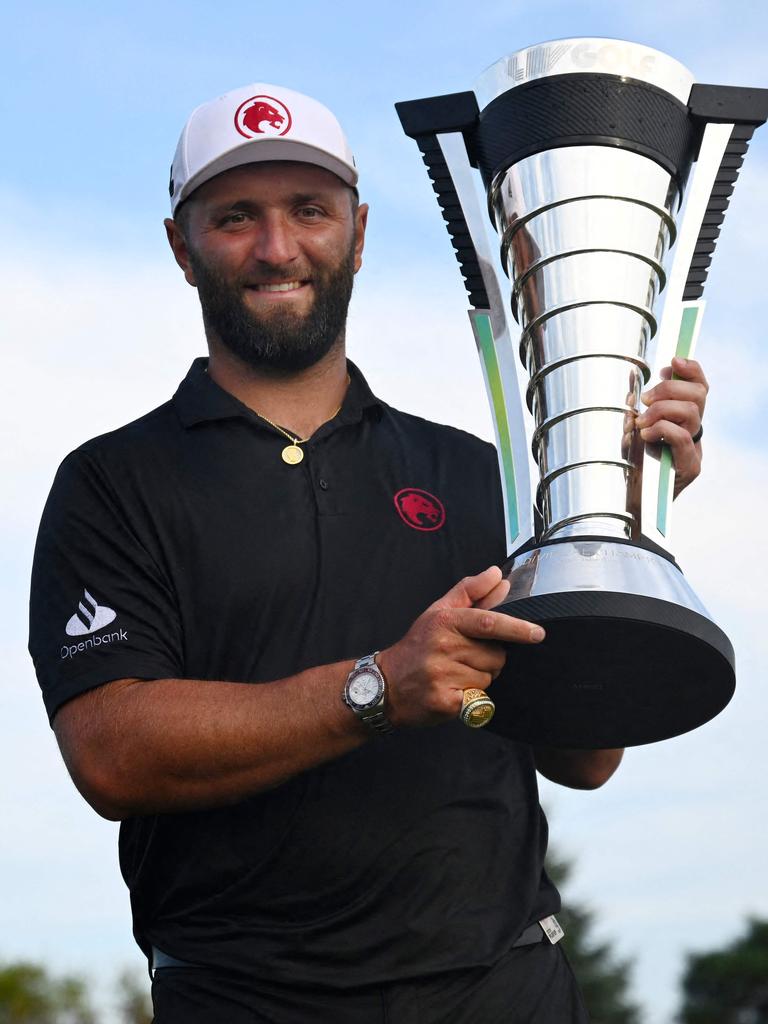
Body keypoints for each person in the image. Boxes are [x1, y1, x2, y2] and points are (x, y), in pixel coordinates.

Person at [28, 83, 708, 1023]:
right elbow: (112, 753)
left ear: (358, 232)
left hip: (501, 991)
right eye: (236, 218)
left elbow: (583, 757)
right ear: (182, 248)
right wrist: (381, 685)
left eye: (310, 210)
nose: (277, 248)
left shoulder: (484, 475)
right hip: (243, 1000)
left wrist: (621, 528)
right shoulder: (113, 483)